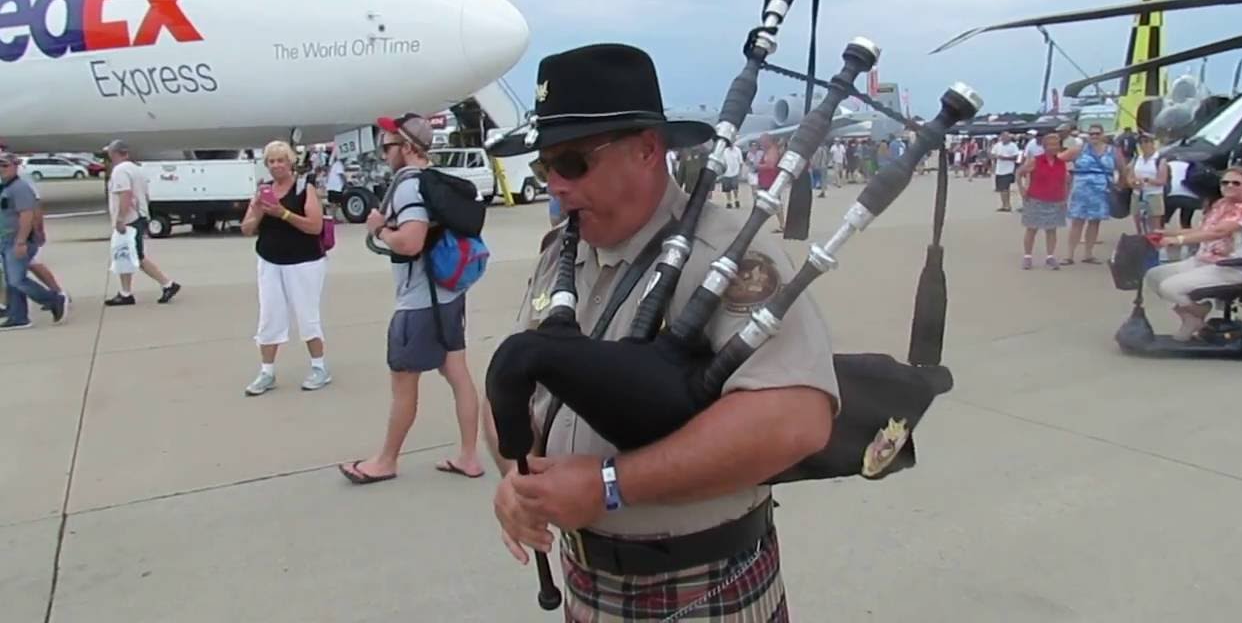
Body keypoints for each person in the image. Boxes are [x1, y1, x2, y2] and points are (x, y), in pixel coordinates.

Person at [481, 44, 838, 621]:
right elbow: (518, 396)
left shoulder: (727, 253)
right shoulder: (561, 254)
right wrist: (517, 483)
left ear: (648, 150)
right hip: (588, 585)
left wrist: (608, 486)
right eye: (546, 166)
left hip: (704, 587)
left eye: (572, 162)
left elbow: (794, 419)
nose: (556, 186)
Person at [339, 113, 485, 483]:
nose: (383, 152)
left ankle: (385, 461)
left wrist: (380, 230)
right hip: (448, 295)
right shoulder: (431, 182)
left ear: (407, 147)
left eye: (387, 146)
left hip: (420, 303)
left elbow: (411, 241)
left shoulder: (408, 187)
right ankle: (469, 457)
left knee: (403, 382)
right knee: (457, 373)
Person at [240, 141, 332, 396]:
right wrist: (258, 210)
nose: (276, 166)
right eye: (271, 161)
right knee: (269, 316)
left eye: (281, 160)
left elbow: (315, 226)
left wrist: (283, 213)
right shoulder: (263, 191)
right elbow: (246, 229)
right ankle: (267, 371)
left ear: (291, 162)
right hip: (270, 261)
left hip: (304, 262)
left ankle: (319, 367)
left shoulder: (305, 189)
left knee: (307, 314)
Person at [1144, 166, 1242, 341]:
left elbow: (1219, 233)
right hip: (1203, 260)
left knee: (1169, 287)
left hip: (1229, 267)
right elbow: (1203, 230)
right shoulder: (1221, 204)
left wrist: (1177, 241)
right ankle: (1192, 316)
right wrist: (1168, 233)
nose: (1229, 185)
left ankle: (1197, 312)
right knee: (1154, 276)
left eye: (1236, 183)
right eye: (1225, 182)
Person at [102, 140, 181, 306]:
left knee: (135, 255)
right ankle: (125, 293)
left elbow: (125, 194)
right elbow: (144, 194)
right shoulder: (136, 169)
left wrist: (120, 219)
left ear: (113, 153)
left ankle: (167, 284)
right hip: (139, 216)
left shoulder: (120, 171)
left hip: (130, 219)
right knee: (124, 255)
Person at [0, 153, 66, 330]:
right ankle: (18, 316)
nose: (1, 169)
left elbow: (27, 214)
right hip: (4, 240)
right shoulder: (4, 187)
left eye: (5, 165)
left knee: (17, 280)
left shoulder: (19, 187)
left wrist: (21, 241)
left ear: (15, 166)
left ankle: (54, 299)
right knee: (11, 281)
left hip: (17, 240)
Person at [1060, 124, 1118, 265]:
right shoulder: (1080, 149)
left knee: (1094, 222)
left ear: (1103, 134)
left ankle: (1088, 254)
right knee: (1077, 221)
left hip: (1101, 190)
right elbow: (1058, 159)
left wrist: (1122, 185)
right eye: (1091, 134)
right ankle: (1069, 255)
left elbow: (1123, 167)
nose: (1094, 136)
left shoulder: (1112, 151)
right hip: (1082, 189)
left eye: (1097, 133)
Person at [1016, 132, 1069, 269]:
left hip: (1056, 199)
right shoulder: (1036, 160)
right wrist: (1022, 189)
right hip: (1035, 198)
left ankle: (1050, 257)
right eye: (1050, 145)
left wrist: (1066, 197)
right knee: (1032, 228)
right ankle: (1027, 256)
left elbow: (1067, 181)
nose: (1053, 147)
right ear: (1044, 146)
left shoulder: (1062, 163)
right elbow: (1019, 173)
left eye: (1056, 144)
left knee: (1051, 229)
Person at [1127, 133, 1168, 234]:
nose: (1143, 145)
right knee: (1138, 223)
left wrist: (1147, 180)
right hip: (1137, 194)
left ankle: (1156, 246)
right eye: (1140, 142)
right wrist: (1133, 183)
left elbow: (1162, 180)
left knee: (1155, 227)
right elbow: (1129, 176)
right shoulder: (1137, 159)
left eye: (1146, 142)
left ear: (1153, 143)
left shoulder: (1159, 160)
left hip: (1154, 195)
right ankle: (1142, 244)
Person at [991, 132, 1020, 212]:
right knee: (1001, 189)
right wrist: (995, 157)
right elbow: (992, 154)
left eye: (1006, 137)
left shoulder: (1013, 146)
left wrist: (1005, 158)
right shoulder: (997, 145)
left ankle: (1007, 205)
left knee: (1005, 188)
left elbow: (1016, 157)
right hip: (999, 170)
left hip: (1008, 170)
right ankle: (1004, 204)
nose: (1004, 139)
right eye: (1003, 137)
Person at [719, 139, 744, 209]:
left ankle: (736, 200)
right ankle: (729, 202)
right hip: (726, 173)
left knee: (735, 188)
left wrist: (740, 172)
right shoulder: (724, 151)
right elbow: (721, 162)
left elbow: (741, 162)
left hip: (735, 172)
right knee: (727, 189)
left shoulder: (738, 150)